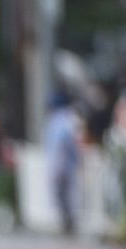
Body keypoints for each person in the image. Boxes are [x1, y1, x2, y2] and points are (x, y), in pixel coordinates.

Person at [46, 95, 86, 235]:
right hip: (65, 163)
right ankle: (67, 222)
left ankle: (68, 222)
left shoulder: (60, 120)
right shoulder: (65, 120)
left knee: (65, 195)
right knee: (66, 195)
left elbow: (70, 143)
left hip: (62, 163)